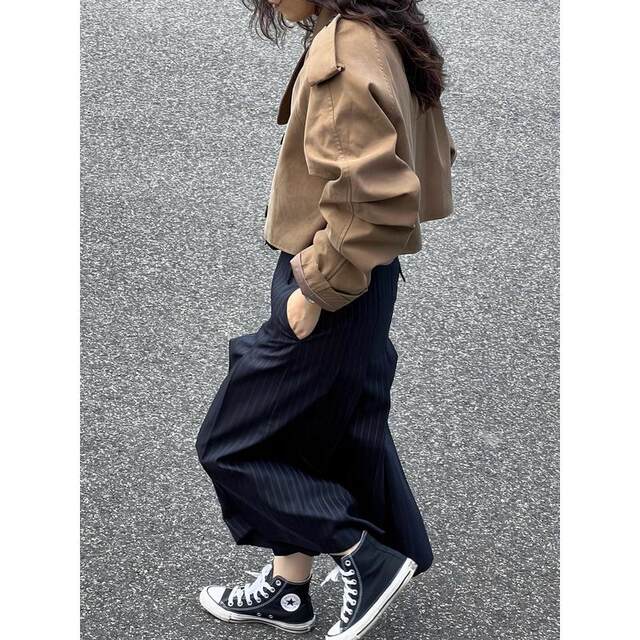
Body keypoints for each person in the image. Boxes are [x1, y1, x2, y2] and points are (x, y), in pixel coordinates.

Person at [195, 1, 456, 638]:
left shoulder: (344, 52)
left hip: (335, 275)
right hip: (362, 272)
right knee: (318, 428)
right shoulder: (380, 24)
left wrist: (314, 289)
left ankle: (362, 556)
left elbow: (373, 199)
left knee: (236, 442)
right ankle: (289, 591)